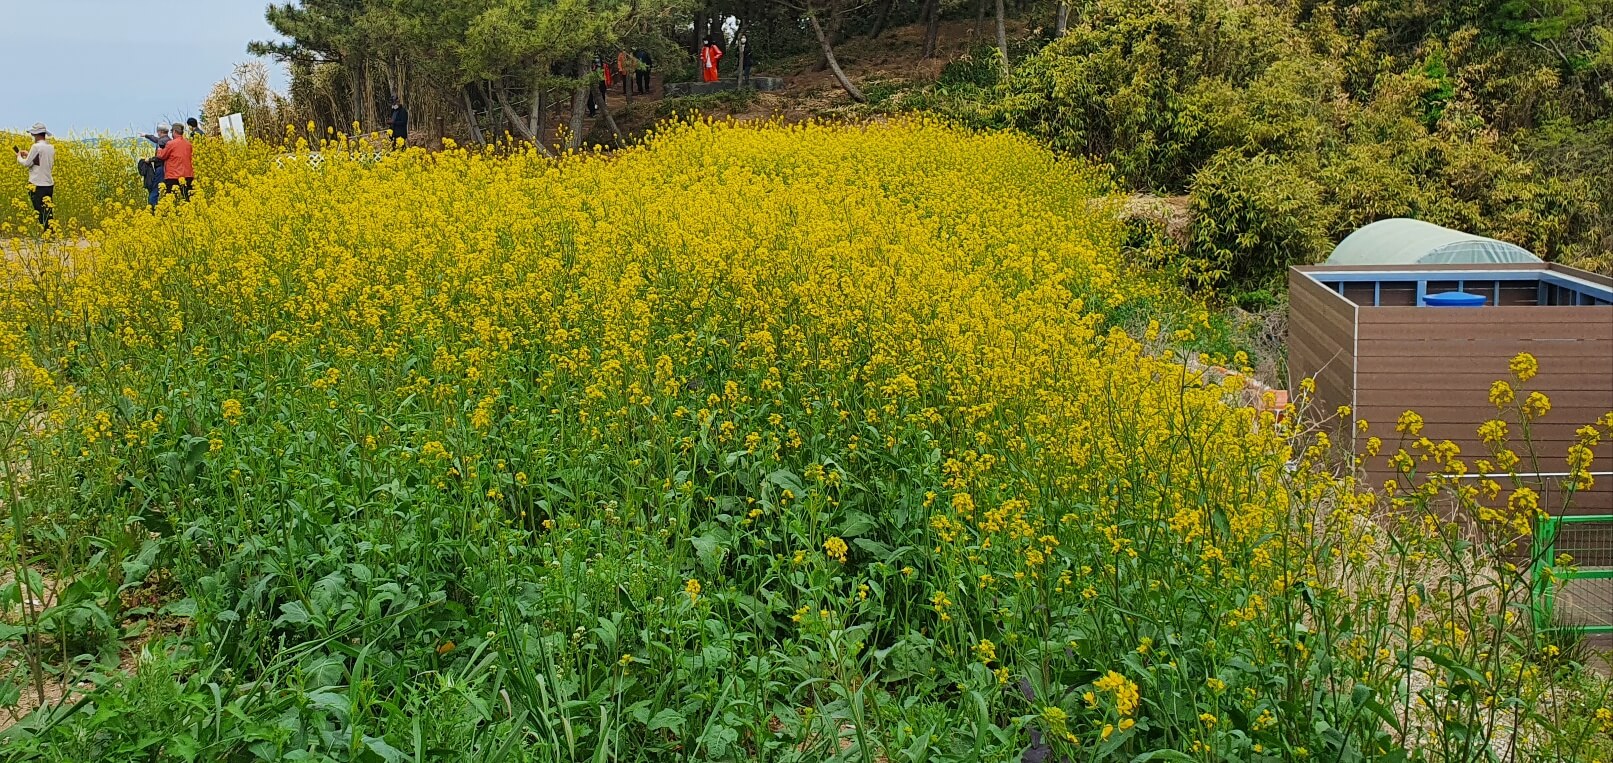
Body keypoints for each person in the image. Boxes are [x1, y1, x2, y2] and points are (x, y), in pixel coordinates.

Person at [14, 123, 54, 229]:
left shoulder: (36, 147)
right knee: (48, 210)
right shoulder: (50, 147)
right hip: (49, 184)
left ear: (36, 134)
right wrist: (29, 155)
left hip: (36, 183)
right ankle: (51, 233)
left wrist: (19, 157)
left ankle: (46, 234)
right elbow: (42, 162)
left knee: (39, 210)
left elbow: (27, 164)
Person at [154, 122, 194, 201]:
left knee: (172, 200)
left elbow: (162, 156)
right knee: (187, 199)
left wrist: (159, 149)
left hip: (173, 176)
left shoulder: (171, 143)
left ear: (175, 131)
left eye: (172, 132)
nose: (171, 133)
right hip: (188, 175)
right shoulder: (189, 144)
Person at [139, 124, 171, 209]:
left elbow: (160, 157)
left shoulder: (161, 142)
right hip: (168, 169)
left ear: (159, 132)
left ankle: (152, 209)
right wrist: (146, 135)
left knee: (155, 190)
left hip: (161, 169)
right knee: (166, 190)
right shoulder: (168, 140)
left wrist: (149, 160)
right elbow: (156, 139)